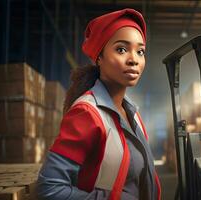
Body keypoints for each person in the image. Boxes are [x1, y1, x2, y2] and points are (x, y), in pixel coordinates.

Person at [36, 8, 161, 200]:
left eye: (140, 51)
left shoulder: (132, 112)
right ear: (99, 58)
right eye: (121, 49)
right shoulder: (87, 113)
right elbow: (49, 187)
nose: (133, 60)